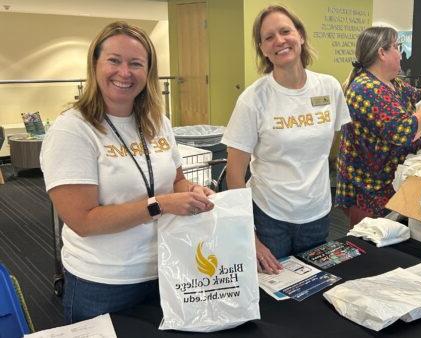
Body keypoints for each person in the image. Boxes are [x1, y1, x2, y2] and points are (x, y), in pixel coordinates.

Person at [40, 21, 215, 323]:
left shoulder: (157, 121)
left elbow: (176, 179)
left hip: (168, 268)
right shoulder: (72, 130)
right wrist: (159, 205)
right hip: (104, 283)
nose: (125, 72)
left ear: (148, 73)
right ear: (95, 64)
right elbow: (82, 220)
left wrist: (192, 191)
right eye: (114, 60)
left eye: (136, 63)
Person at [221, 5, 350, 274]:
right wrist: (250, 237)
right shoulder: (253, 100)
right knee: (272, 298)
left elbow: (332, 147)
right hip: (269, 217)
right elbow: (234, 176)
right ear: (263, 49)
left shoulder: (329, 87)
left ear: (300, 35)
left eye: (285, 31)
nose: (279, 41)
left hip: (318, 214)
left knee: (313, 293)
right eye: (269, 37)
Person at [335, 26, 421, 226]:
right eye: (396, 47)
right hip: (369, 190)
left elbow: (418, 97)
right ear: (382, 53)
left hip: (388, 185)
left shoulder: (393, 84)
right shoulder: (366, 89)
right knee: (370, 246)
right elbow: (405, 132)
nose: (401, 55)